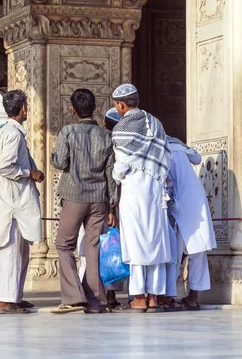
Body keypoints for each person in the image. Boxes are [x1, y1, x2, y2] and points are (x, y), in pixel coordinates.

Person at [50, 89, 117, 314]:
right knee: (93, 247)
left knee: (64, 244)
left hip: (75, 195)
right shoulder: (106, 136)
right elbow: (110, 173)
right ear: (94, 108)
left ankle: (74, 296)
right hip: (99, 198)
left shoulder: (68, 132)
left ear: (73, 110)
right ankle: (97, 299)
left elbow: (60, 162)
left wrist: (52, 156)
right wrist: (112, 205)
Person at [111, 83, 172, 313]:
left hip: (134, 192)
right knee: (155, 239)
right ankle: (154, 296)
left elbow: (122, 165)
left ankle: (138, 296)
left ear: (122, 104)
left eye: (116, 105)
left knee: (135, 242)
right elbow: (165, 154)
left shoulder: (123, 128)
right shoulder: (155, 123)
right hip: (155, 189)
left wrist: (115, 176)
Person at [0, 90, 45, 314]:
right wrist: (31, 173)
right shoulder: (12, 134)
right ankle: (4, 300)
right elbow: (5, 167)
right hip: (12, 203)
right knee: (10, 251)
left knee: (20, 251)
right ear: (23, 109)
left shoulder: (4, 131)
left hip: (13, 201)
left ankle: (15, 297)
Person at [75, 108, 124, 309]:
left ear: (104, 122)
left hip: (86, 200)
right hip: (108, 202)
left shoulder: (89, 140)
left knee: (90, 249)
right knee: (109, 250)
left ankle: (86, 293)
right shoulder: (117, 144)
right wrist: (113, 208)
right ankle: (108, 295)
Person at [162, 136, 217, 310]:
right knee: (197, 250)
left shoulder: (163, 149)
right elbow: (197, 158)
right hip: (195, 198)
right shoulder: (178, 148)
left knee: (174, 251)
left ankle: (168, 297)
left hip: (180, 200)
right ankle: (193, 297)